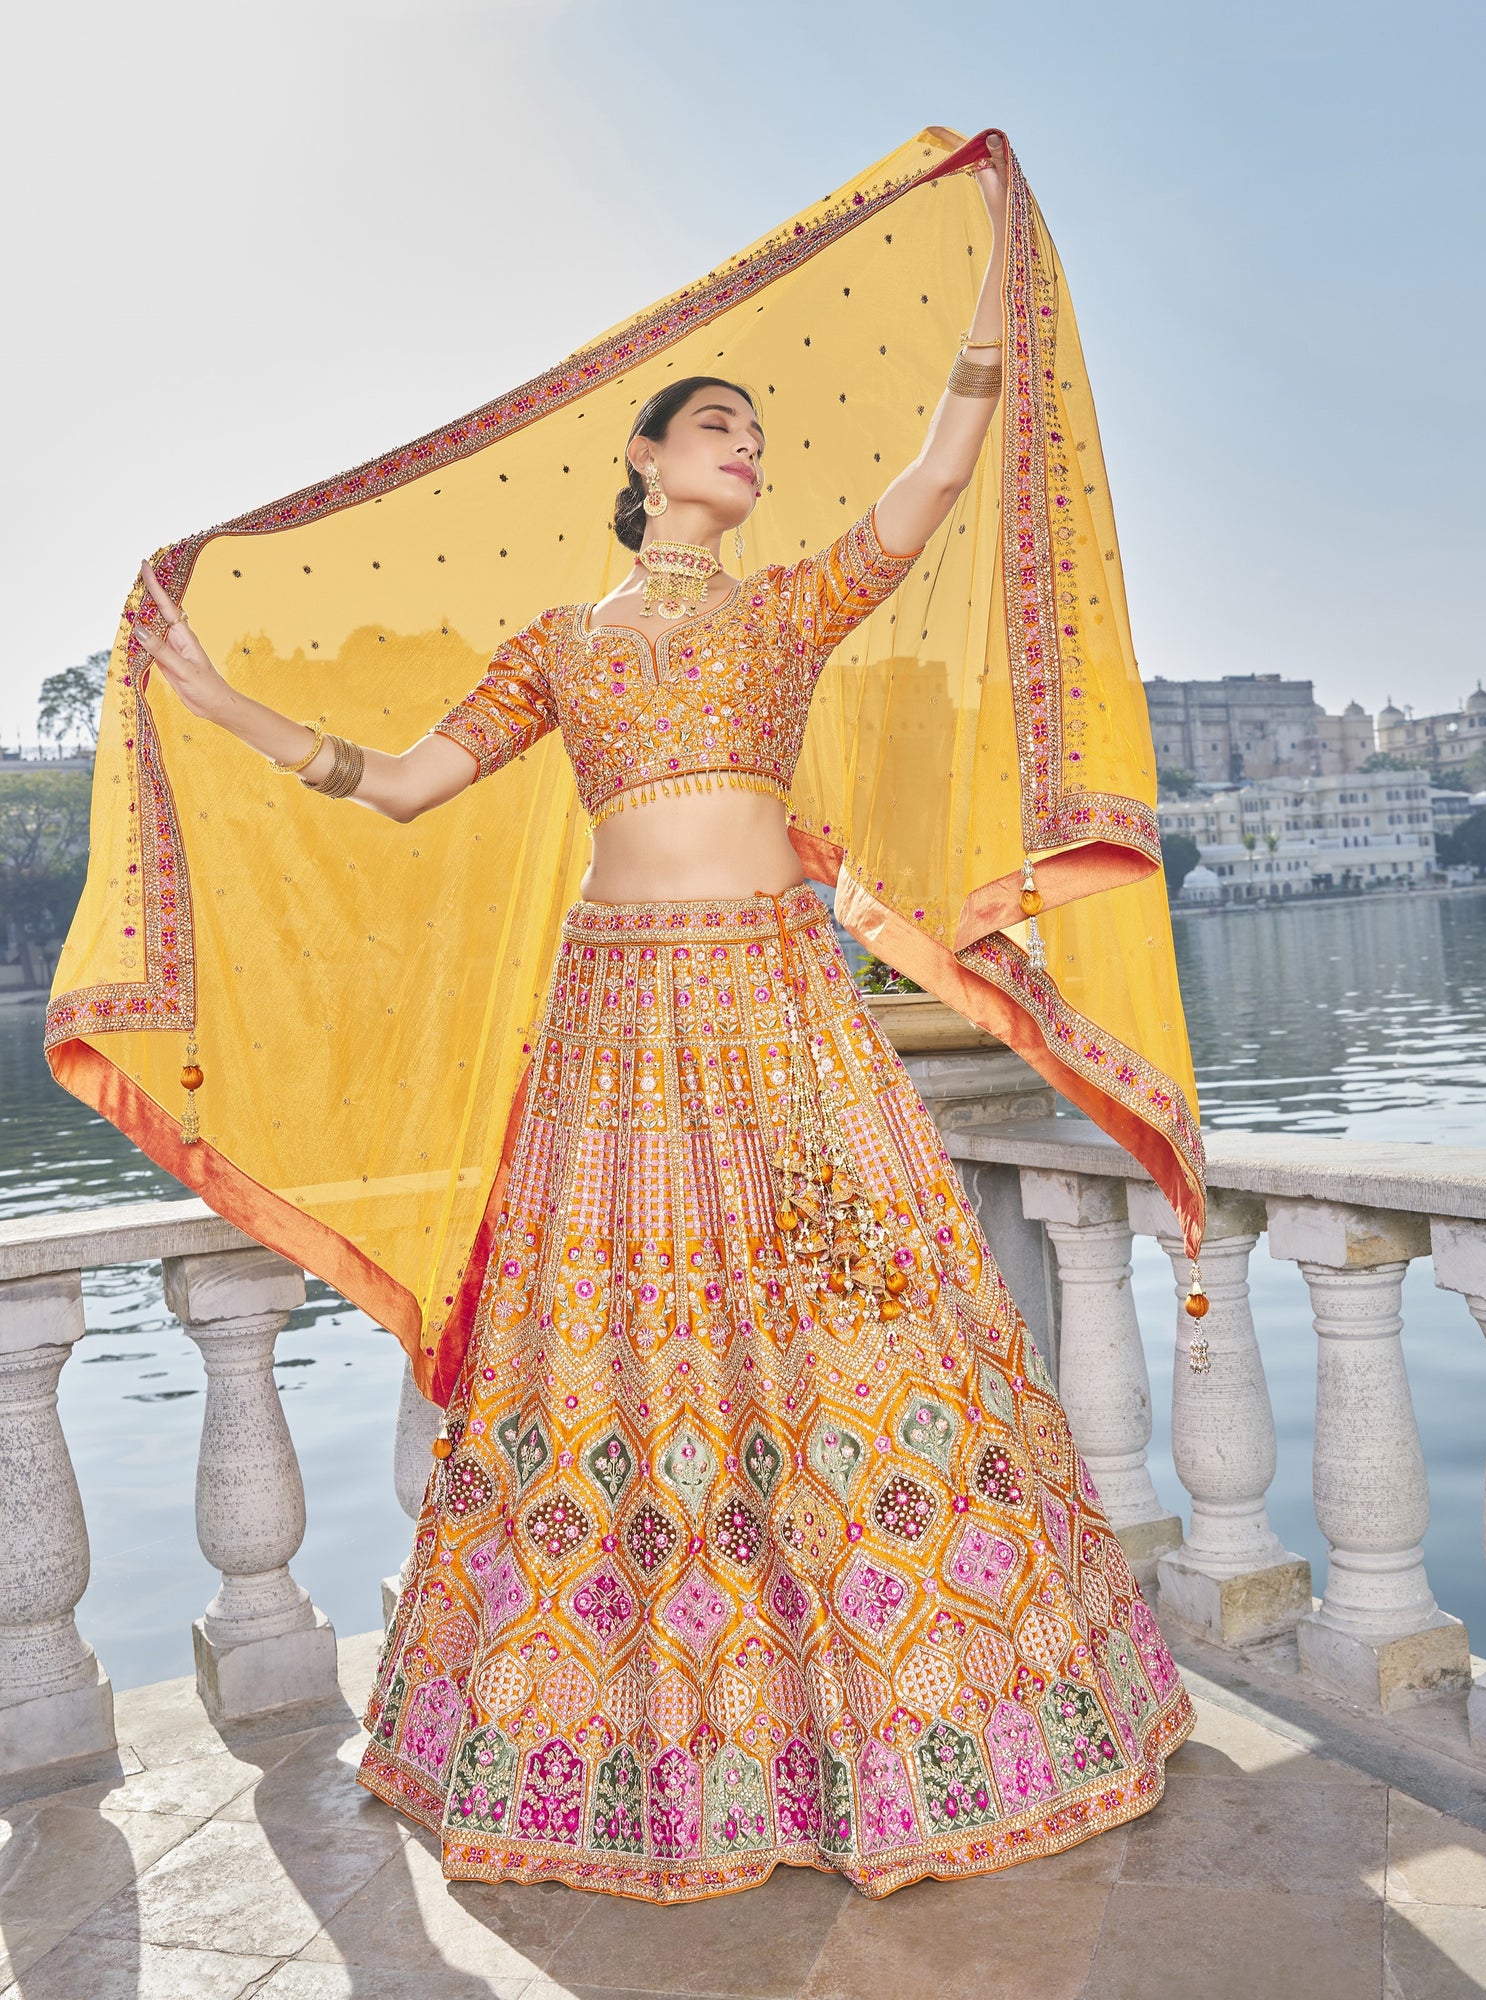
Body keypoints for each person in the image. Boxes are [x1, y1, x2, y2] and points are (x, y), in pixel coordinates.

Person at [126, 132, 1192, 1902]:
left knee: (858, 1323)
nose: (747, 451)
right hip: (614, 1028)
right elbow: (397, 786)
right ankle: (650, 1752)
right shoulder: (559, 644)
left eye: (758, 437)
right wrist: (226, 701)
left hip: (779, 1002)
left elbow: (932, 485)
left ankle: (942, 1718)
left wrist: (992, 313)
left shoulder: (785, 611)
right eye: (718, 429)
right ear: (643, 461)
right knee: (627, 1369)